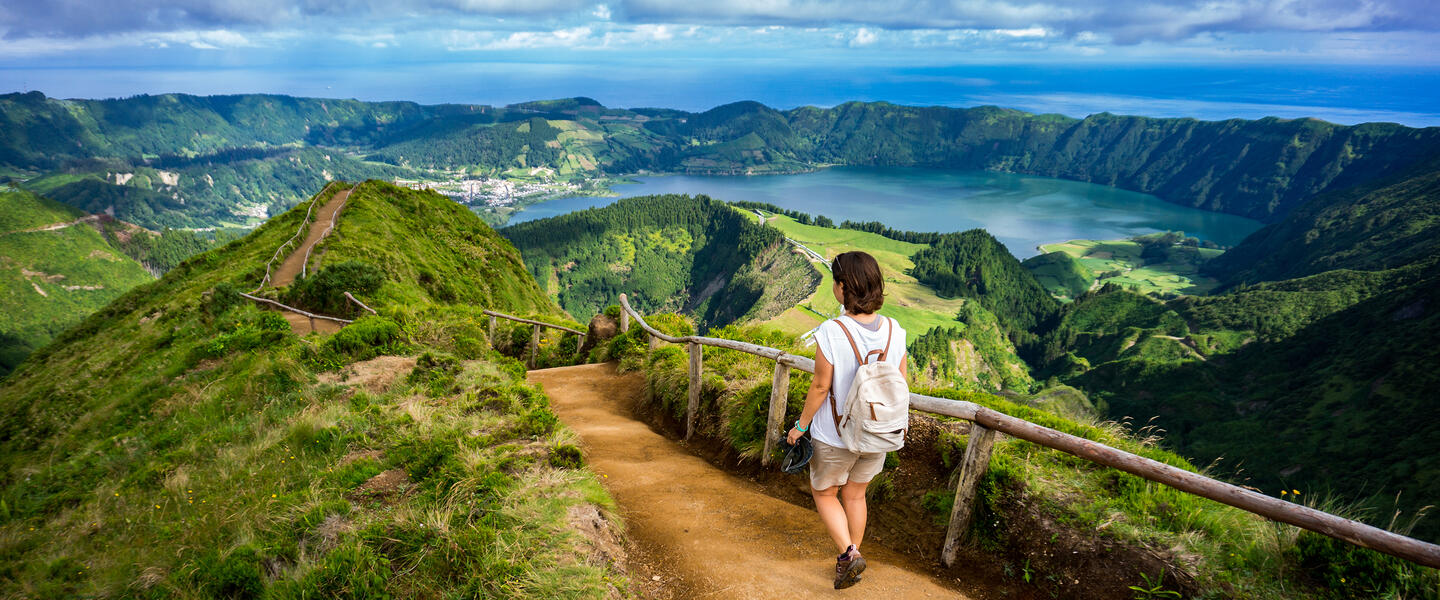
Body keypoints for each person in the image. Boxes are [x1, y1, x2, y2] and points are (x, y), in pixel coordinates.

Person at [787, 250, 907, 590]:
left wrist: (800, 426)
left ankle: (849, 555)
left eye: (835, 282)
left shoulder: (831, 331)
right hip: (878, 433)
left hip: (835, 435)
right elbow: (900, 385)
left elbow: (821, 386)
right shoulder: (895, 331)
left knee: (825, 493)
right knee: (856, 496)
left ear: (843, 287)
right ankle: (851, 557)